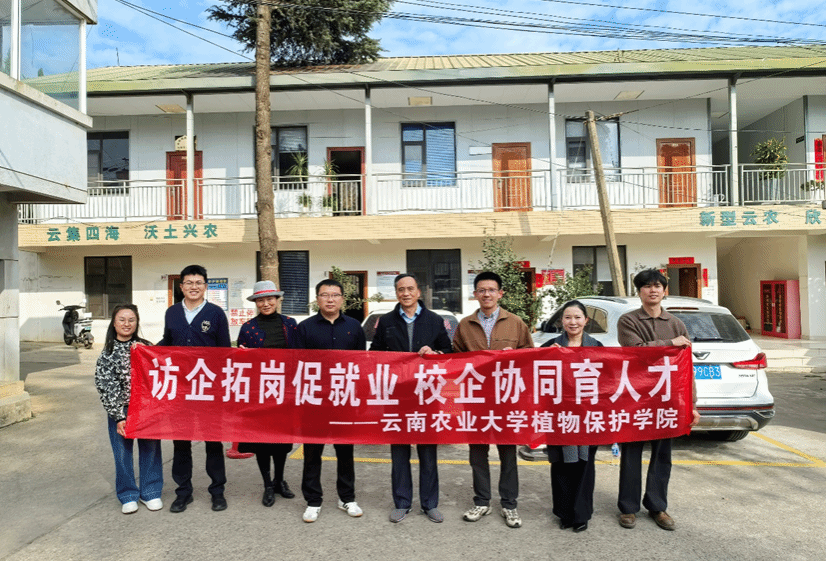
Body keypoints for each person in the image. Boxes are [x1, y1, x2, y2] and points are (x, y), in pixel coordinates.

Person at [616, 268, 700, 531]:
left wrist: (692, 404)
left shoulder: (676, 323)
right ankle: (628, 507)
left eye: (657, 286)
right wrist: (670, 343)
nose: (652, 290)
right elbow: (636, 352)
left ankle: (657, 506)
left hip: (667, 399)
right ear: (639, 292)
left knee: (663, 455)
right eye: (647, 286)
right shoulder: (628, 321)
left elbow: (686, 367)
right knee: (631, 453)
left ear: (664, 291)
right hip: (636, 398)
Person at [452, 271, 534, 529]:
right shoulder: (465, 324)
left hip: (506, 398)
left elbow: (530, 356)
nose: (486, 294)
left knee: (508, 453)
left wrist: (515, 356)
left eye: (491, 290)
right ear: (475, 294)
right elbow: (455, 359)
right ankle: (482, 501)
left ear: (500, 293)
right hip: (476, 398)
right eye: (481, 290)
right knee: (477, 453)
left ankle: (509, 504)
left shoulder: (516, 322)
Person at [369, 273, 452, 524]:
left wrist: (435, 353)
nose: (405, 293)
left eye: (410, 289)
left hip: (427, 395)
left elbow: (448, 353)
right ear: (396, 293)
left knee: (428, 453)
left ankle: (430, 504)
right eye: (401, 289)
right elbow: (374, 354)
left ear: (418, 292)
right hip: (397, 396)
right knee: (399, 453)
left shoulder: (434, 320)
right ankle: (402, 503)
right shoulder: (386, 321)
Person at [158, 264, 231, 513]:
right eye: (189, 282)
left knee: (213, 442)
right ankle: (183, 492)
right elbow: (167, 343)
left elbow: (224, 353)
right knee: (181, 443)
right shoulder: (172, 313)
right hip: (180, 389)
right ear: (181, 287)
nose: (194, 287)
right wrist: (144, 349)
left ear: (205, 286)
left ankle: (217, 492)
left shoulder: (216, 314)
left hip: (208, 389)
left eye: (198, 282)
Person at [295, 279, 367, 523]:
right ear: (317, 299)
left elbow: (361, 365)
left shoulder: (354, 327)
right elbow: (297, 365)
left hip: (344, 400)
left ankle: (347, 498)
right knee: (312, 453)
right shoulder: (304, 328)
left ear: (342, 299)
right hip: (314, 401)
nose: (330, 299)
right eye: (324, 295)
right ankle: (313, 501)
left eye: (335, 295)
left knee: (345, 451)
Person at [540, 300, 602, 532]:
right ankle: (564, 513)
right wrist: (548, 357)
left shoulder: (597, 347)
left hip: (587, 417)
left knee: (584, 466)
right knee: (561, 465)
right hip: (559, 417)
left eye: (577, 317)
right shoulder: (551, 345)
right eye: (568, 317)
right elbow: (530, 370)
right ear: (561, 321)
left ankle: (581, 514)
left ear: (586, 320)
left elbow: (609, 381)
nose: (572, 322)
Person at [94, 304, 162, 514]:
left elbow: (160, 374)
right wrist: (118, 416)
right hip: (121, 410)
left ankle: (151, 492)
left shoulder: (145, 347)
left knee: (151, 450)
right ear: (114, 323)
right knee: (122, 454)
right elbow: (106, 386)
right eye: (122, 320)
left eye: (131, 320)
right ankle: (128, 494)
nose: (126, 324)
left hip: (146, 409)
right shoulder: (108, 353)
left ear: (137, 322)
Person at [237, 280, 299, 508]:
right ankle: (267, 485)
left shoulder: (290, 324)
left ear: (277, 300)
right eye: (260, 300)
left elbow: (300, 355)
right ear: (255, 303)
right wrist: (241, 355)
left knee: (282, 442)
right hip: (259, 393)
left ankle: (279, 480)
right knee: (261, 442)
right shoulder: (248, 328)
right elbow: (241, 362)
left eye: (270, 299)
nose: (265, 303)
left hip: (284, 392)